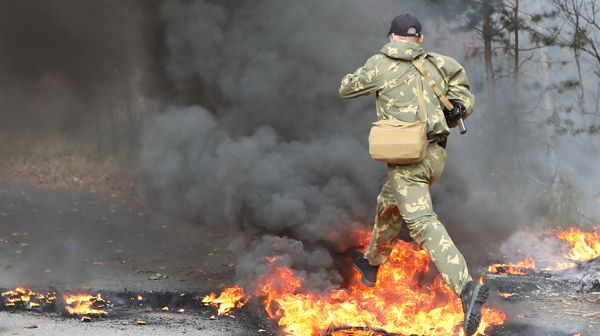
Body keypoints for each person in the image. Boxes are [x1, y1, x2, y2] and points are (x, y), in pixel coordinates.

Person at [338, 14, 488, 336]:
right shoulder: (440, 64)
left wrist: (375, 69)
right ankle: (372, 263)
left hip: (407, 157)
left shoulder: (379, 64)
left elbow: (346, 89)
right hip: (435, 156)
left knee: (422, 222)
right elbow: (464, 97)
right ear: (419, 39)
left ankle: (465, 288)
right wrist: (458, 106)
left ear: (392, 38)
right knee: (388, 203)